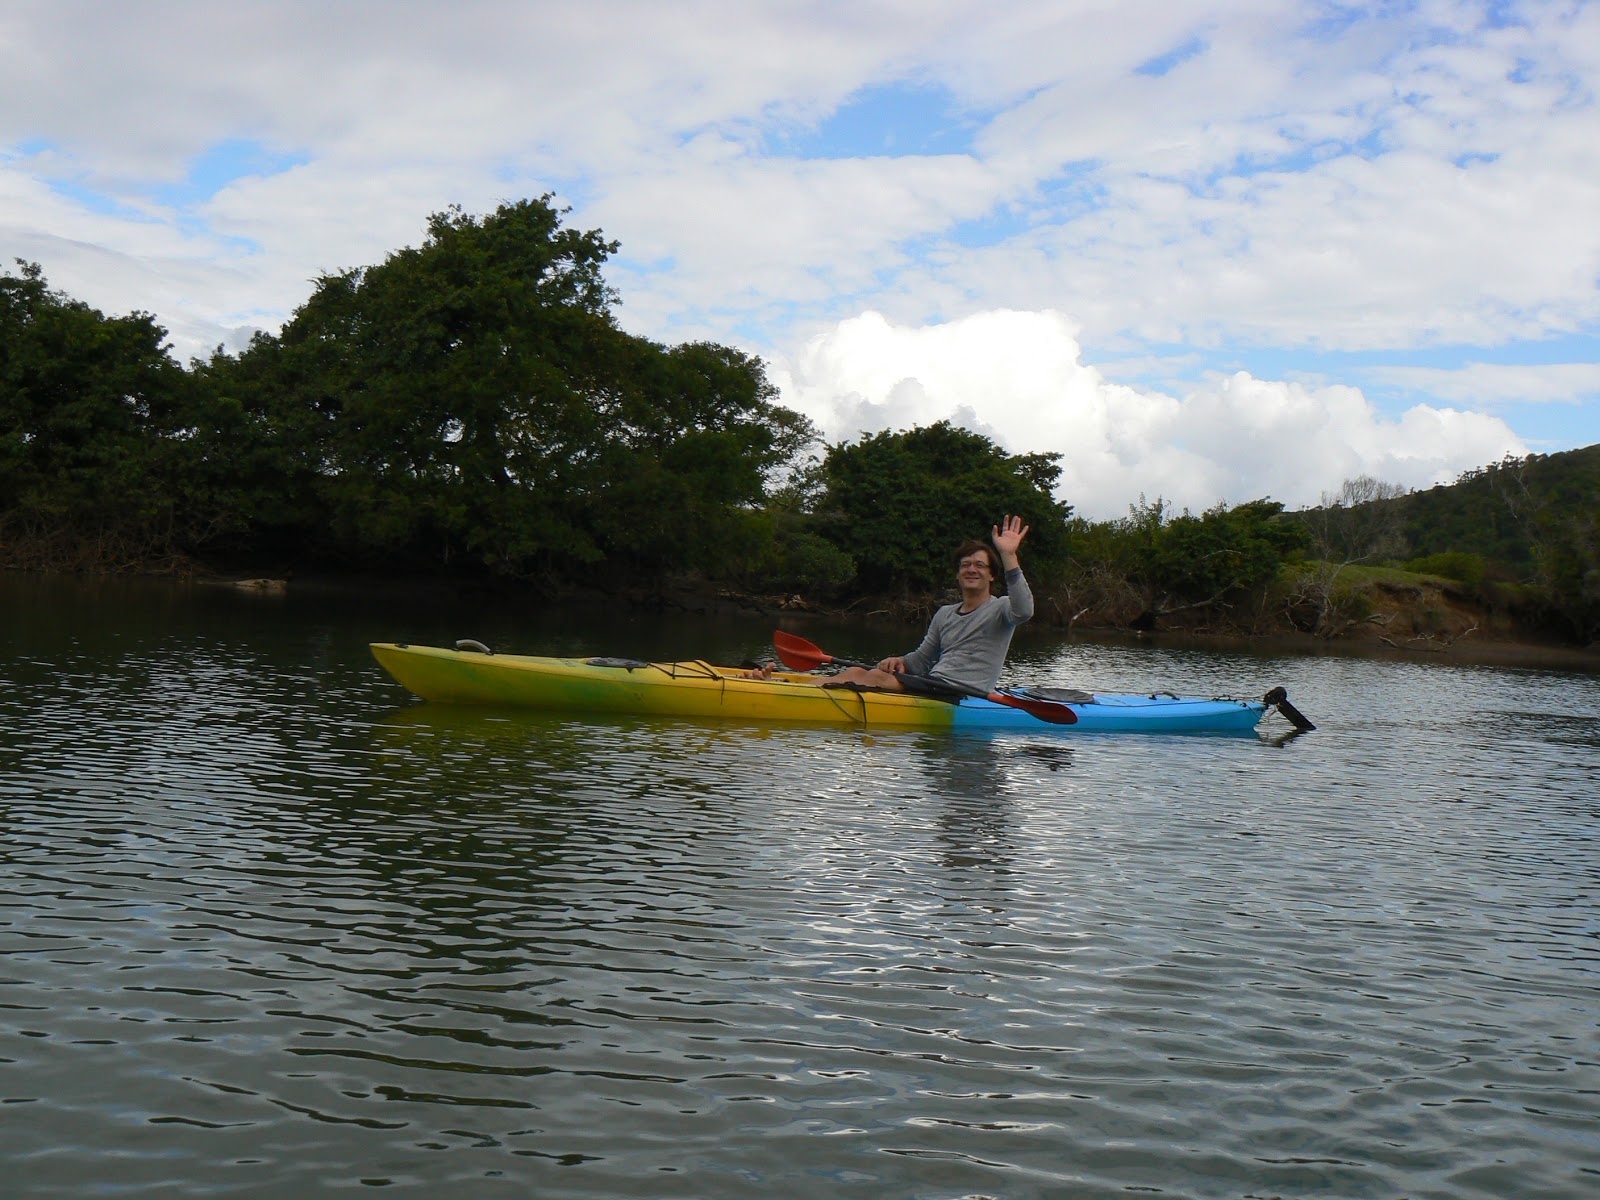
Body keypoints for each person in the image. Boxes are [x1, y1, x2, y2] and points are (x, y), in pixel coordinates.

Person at [755, 515, 1034, 695]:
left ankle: (784, 691)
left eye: (980, 565)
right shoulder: (945, 614)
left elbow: (1025, 611)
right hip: (934, 684)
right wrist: (900, 661)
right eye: (965, 565)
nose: (972, 569)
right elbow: (922, 660)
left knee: (874, 677)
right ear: (958, 573)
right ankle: (786, 686)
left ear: (992, 575)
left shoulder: (1001, 609)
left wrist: (1008, 555)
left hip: (964, 693)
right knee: (855, 673)